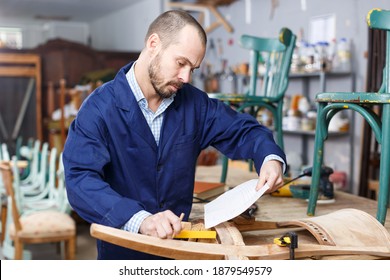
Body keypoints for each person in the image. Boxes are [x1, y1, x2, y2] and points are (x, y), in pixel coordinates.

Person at [63, 10, 286, 260]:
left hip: (181, 252)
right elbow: (80, 181)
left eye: (193, 68)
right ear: (153, 44)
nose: (186, 77)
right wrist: (140, 220)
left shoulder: (195, 104)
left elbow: (244, 130)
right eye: (181, 63)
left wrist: (269, 157)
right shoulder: (99, 109)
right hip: (123, 252)